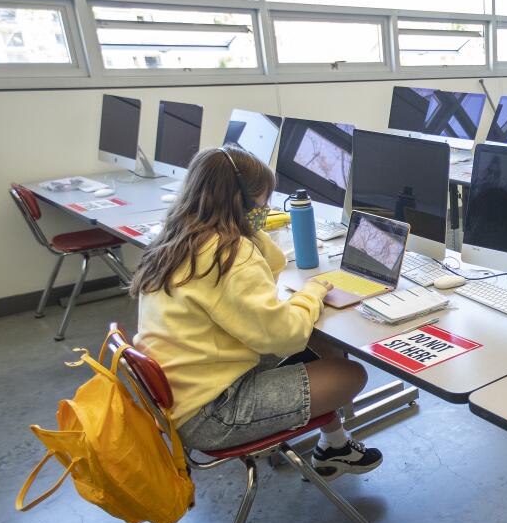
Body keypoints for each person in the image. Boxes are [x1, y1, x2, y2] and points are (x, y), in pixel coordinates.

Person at [131, 145, 381, 478]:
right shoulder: (228, 253)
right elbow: (287, 336)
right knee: (349, 374)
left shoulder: (181, 235)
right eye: (261, 205)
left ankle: (335, 446)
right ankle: (332, 445)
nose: (264, 213)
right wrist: (313, 292)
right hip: (212, 413)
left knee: (325, 347)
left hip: (184, 391)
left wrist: (249, 233)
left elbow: (270, 271)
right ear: (240, 204)